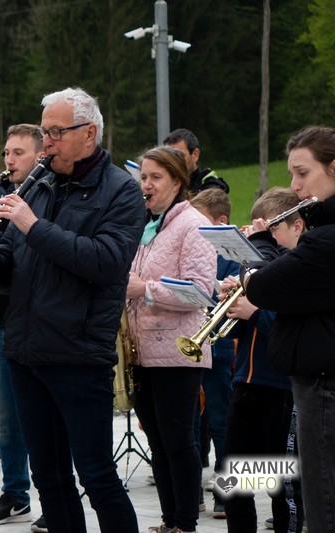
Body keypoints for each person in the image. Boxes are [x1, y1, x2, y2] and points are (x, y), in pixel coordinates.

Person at [0, 87, 144, 532]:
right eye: (45, 132)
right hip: (26, 351)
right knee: (48, 477)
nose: (46, 143)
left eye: (55, 133)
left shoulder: (121, 190)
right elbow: (9, 276)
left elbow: (106, 262)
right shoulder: (40, 185)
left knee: (97, 476)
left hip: (78, 354)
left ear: (89, 133)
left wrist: (32, 225)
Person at [241, 125, 335, 533]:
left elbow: (265, 287)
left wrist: (259, 249)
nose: (295, 186)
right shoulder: (319, 234)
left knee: (319, 496)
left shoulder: (322, 241)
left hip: (317, 383)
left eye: (302, 173)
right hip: (259, 378)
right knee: (244, 465)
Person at [127, 145, 217, 533]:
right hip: (144, 351)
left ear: (178, 182)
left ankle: (185, 523)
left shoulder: (192, 224)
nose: (146, 185)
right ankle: (169, 521)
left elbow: (200, 292)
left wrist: (145, 289)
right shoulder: (151, 225)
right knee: (158, 443)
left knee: (179, 442)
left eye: (155, 178)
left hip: (178, 352)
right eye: (143, 177)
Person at [216, 187, 304, 533]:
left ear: (296, 226)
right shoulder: (260, 271)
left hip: (280, 391)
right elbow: (234, 333)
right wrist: (229, 303)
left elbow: (287, 329)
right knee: (234, 484)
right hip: (244, 385)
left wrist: (253, 311)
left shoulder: (296, 271)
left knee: (282, 485)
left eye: (269, 230)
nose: (259, 237)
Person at [0, 124, 44, 528]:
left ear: (40, 156)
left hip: (42, 327)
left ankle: (54, 497)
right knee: (6, 423)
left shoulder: (47, 199)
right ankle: (14, 495)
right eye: (6, 152)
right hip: (2, 322)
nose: (9, 160)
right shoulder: (0, 201)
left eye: (18, 152)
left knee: (46, 421)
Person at [188, 188, 239, 519]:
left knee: (222, 422)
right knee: (190, 424)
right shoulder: (193, 248)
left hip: (218, 344)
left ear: (221, 222)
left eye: (201, 222)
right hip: (189, 341)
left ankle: (226, 494)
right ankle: (192, 493)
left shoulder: (231, 254)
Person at [163, 128, 229, 195]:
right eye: (169, 156)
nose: (174, 161)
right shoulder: (163, 181)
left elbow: (215, 194)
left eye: (179, 156)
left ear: (195, 154)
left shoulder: (208, 183)